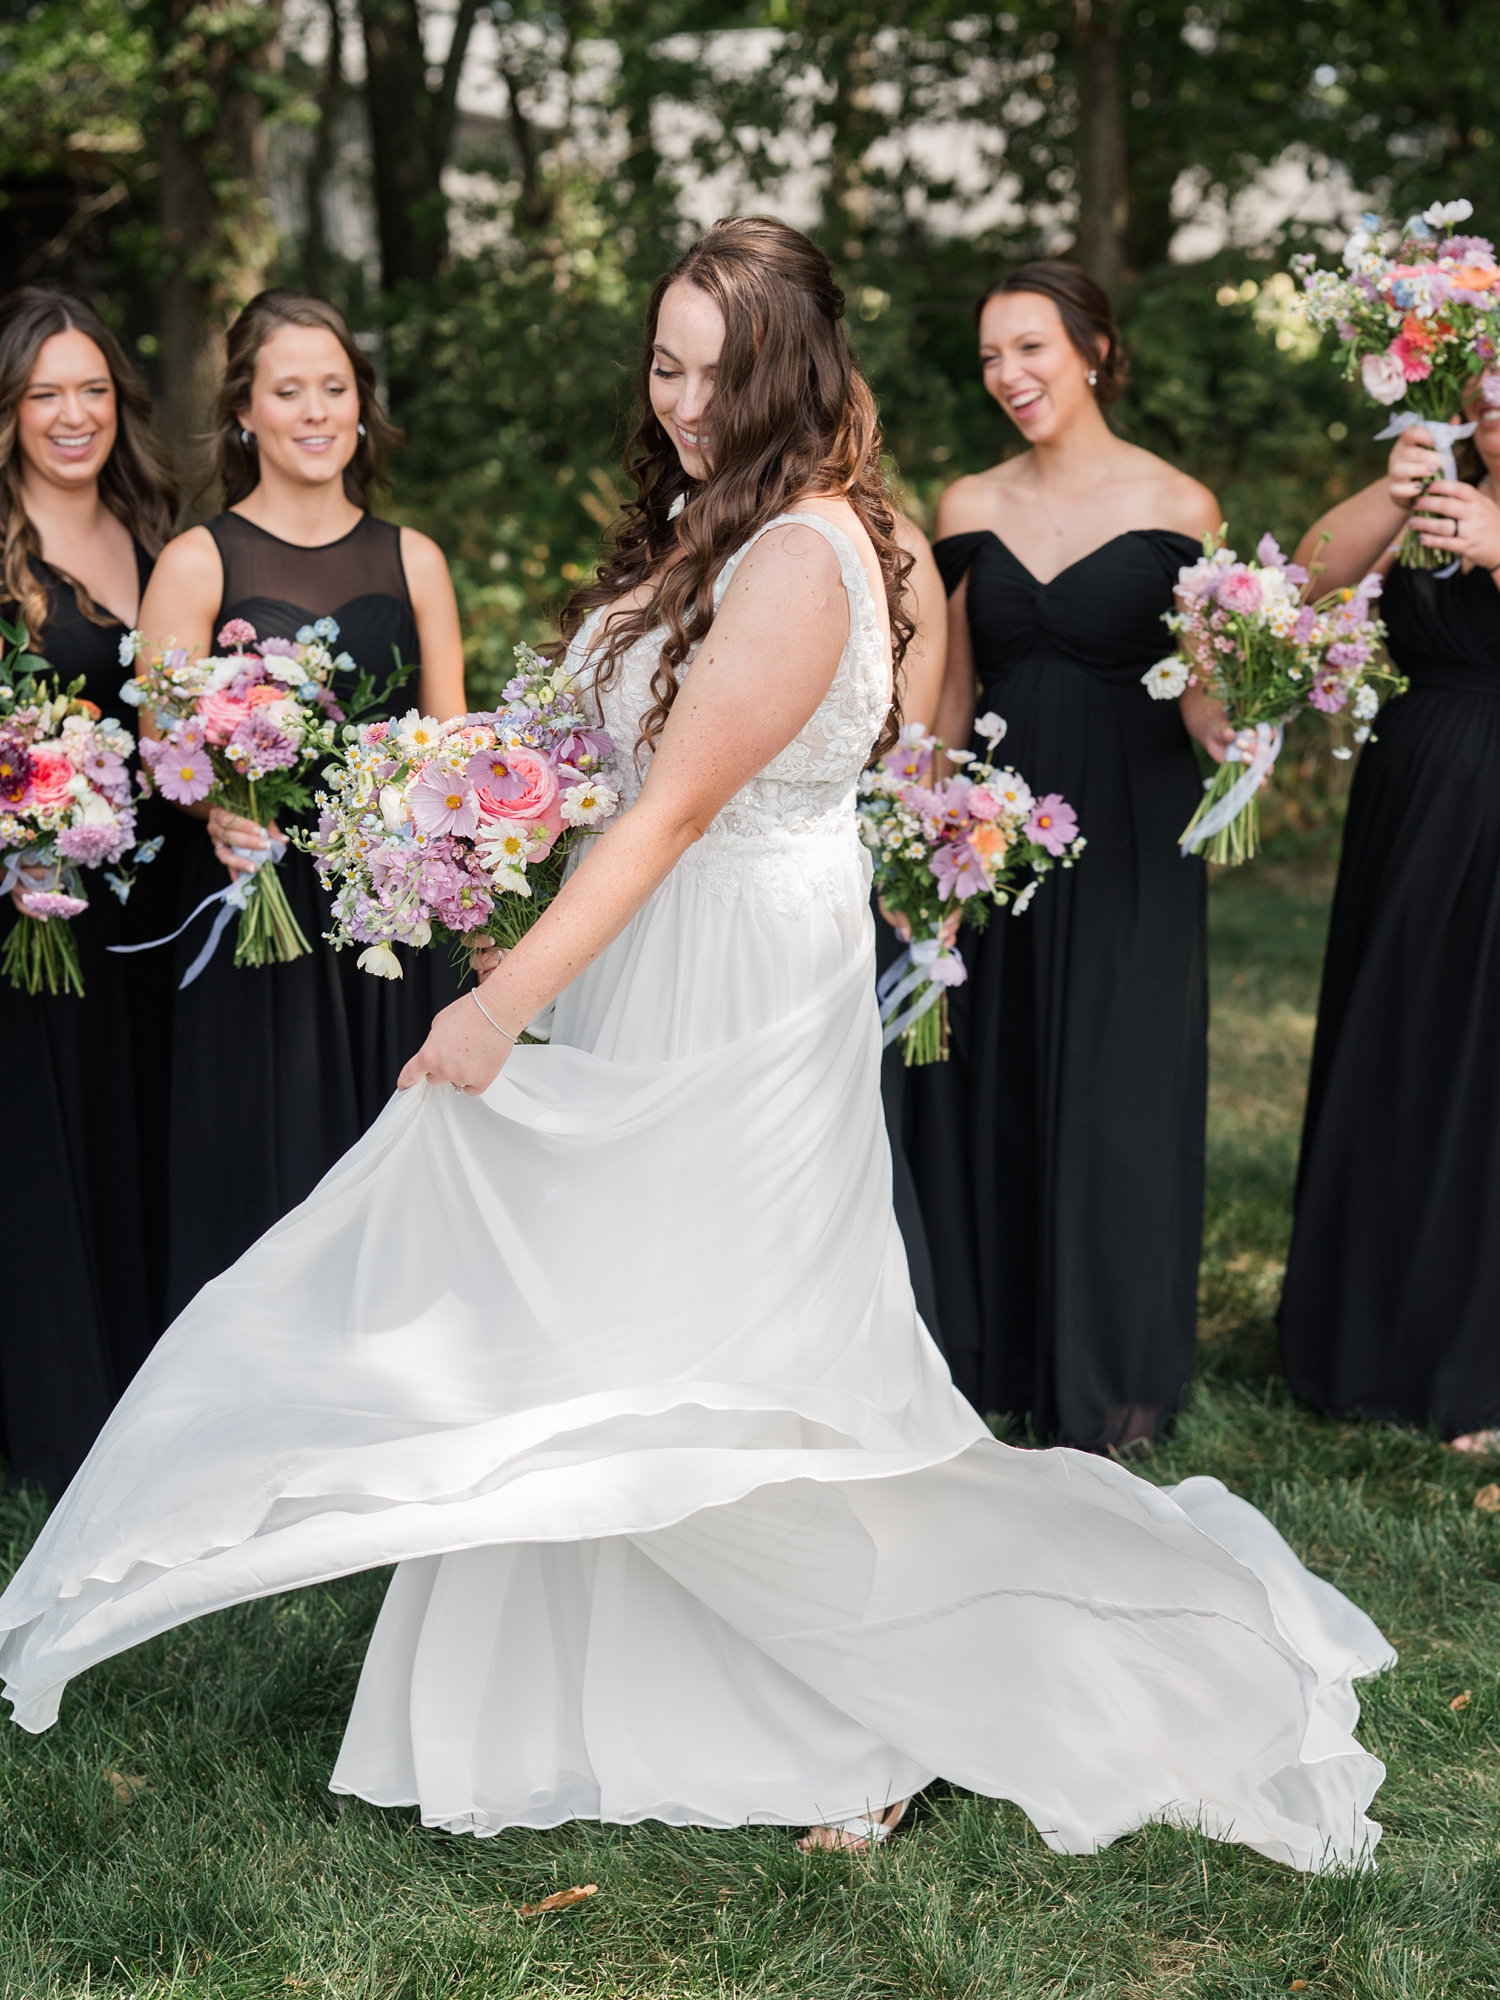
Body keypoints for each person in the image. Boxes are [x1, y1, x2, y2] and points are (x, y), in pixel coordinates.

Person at [0, 220, 1392, 1872]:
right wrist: (462, 821)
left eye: (716, 370)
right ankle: (539, 1706)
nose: (679, 398)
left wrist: (495, 999)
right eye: (663, 362)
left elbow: (671, 813)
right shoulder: (707, 523)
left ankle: (868, 1717)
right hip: (657, 944)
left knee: (737, 1343)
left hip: (741, 968)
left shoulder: (804, 553)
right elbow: (609, 766)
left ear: (792, 370)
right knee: (610, 1323)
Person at [902, 261, 1231, 1454]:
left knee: (1115, 1091)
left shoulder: (1181, 504)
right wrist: (919, 835)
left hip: (1136, 827)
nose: (1010, 375)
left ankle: (1115, 1372)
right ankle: (991, 1354)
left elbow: (1203, 698)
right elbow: (949, 693)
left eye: (1032, 348)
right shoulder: (966, 501)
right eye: (992, 355)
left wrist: (1252, 718)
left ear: (1094, 351)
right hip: (996, 836)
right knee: (992, 1080)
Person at [136, 290, 467, 1317]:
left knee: (398, 1152)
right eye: (290, 390)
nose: (318, 410)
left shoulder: (414, 557)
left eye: (337, 387)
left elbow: (449, 747)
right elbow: (161, 744)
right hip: (259, 914)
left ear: (362, 406)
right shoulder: (199, 560)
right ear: (245, 411)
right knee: (263, 1153)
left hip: (387, 916)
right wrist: (212, 811)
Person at [1279, 386, 1500, 1452]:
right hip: (1413, 813)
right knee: (1398, 1048)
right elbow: (1297, 586)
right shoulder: (1442, 496)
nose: (1490, 403)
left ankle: (1473, 1363)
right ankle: (1363, 1341)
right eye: (1479, 384)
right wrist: (1390, 488)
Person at [0, 288, 182, 1494]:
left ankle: (137, 1397)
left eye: (94, 390)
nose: (74, 416)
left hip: (150, 904)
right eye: (45, 393)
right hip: (29, 900)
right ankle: (45, 1422)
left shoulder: (165, 536)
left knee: (138, 1130)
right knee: (35, 1144)